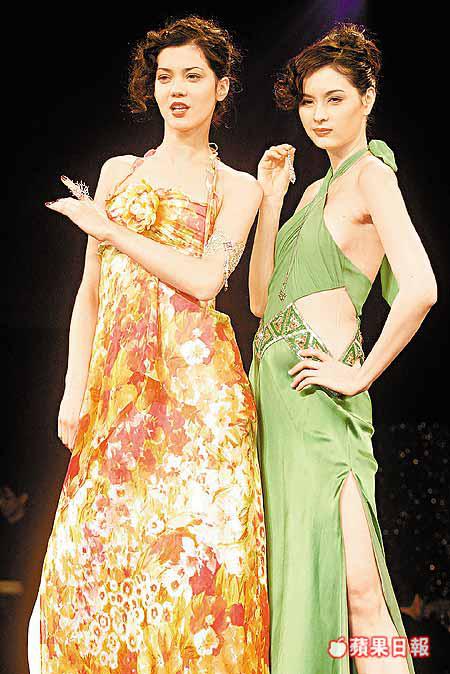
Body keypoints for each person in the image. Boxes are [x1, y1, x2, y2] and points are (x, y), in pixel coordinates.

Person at [29, 16, 270, 673]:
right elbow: (89, 293)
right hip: (119, 391)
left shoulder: (239, 187)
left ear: (222, 87)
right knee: (92, 564)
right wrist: (74, 387)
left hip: (201, 400)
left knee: (199, 579)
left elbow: (207, 279)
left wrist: (111, 230)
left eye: (193, 76)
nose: (177, 90)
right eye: (165, 77)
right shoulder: (119, 171)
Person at [248, 22, 437, 674]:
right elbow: (259, 300)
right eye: (308, 101)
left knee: (358, 592)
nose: (318, 115)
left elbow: (421, 287)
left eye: (334, 98)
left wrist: (360, 376)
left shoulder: (371, 175)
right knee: (293, 587)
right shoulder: (310, 192)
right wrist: (270, 201)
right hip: (275, 408)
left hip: (323, 407)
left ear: (367, 97)